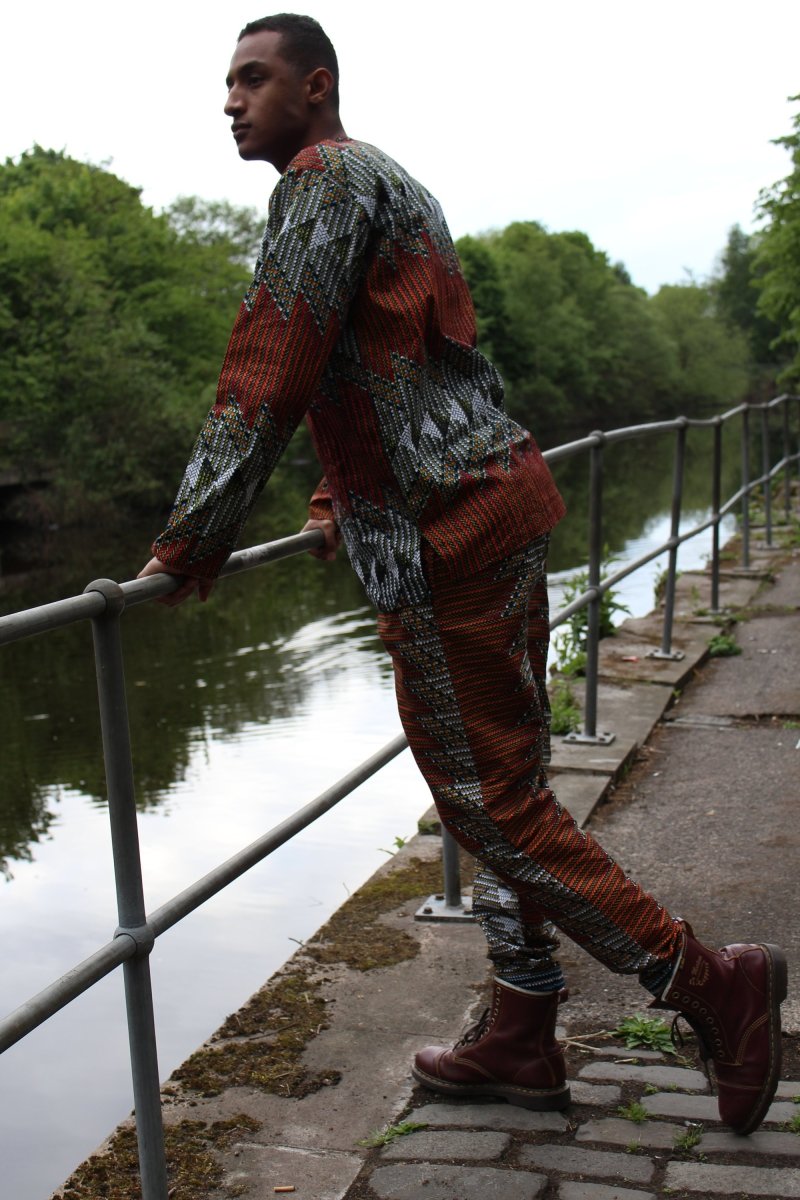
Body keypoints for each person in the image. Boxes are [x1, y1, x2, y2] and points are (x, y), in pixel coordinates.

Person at [138, 13, 786, 1134]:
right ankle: (521, 1031)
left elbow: (270, 362)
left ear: (315, 86)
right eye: (227, 82)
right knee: (495, 792)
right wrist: (335, 495)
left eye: (253, 78)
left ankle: (708, 984)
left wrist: (190, 539)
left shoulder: (320, 184)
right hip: (497, 507)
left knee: (492, 804)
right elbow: (404, 364)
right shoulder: (389, 180)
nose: (230, 100)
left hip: (444, 538)